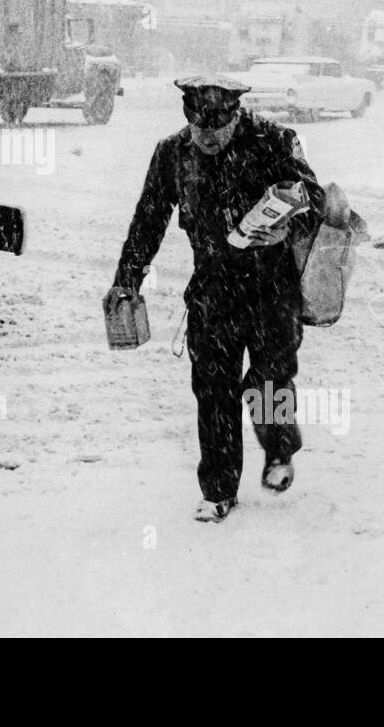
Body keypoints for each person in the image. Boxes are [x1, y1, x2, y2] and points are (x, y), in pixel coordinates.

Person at [106, 76, 325, 523]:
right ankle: (219, 489)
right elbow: (148, 218)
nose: (206, 139)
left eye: (216, 131)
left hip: (272, 289)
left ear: (235, 116)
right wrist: (127, 278)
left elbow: (314, 198)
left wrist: (290, 225)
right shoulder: (172, 153)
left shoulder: (274, 140)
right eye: (197, 129)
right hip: (213, 290)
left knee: (270, 382)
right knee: (213, 393)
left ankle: (279, 451)